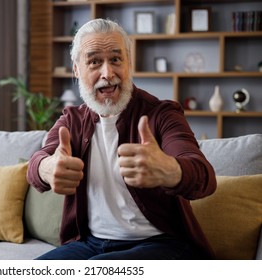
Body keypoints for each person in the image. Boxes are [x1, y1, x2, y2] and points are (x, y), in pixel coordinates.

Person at [26, 18, 217, 260]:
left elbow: (205, 177)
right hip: (89, 243)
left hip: (162, 244)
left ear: (128, 63)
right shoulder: (71, 120)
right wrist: (46, 168)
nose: (108, 73)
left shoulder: (162, 113)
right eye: (94, 62)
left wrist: (171, 171)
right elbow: (36, 165)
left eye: (116, 59)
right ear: (76, 70)